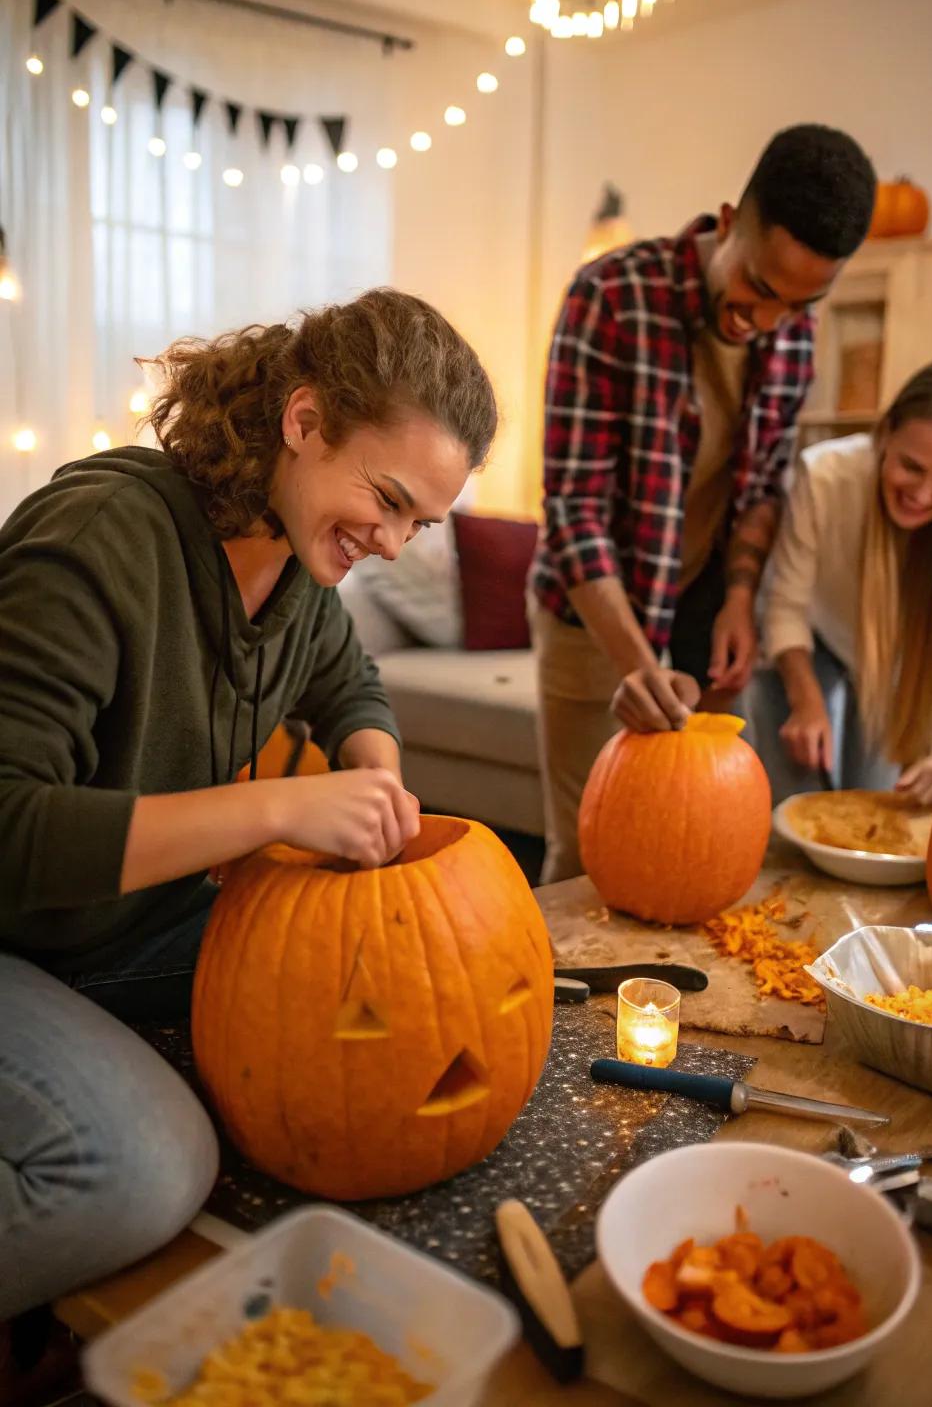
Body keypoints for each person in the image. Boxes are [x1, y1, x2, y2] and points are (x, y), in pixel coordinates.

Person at [0, 290, 497, 1368]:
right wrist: (280, 806)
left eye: (422, 522)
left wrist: (375, 766)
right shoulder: (103, 536)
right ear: (304, 421)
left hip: (134, 936)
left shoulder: (297, 570)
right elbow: (9, 827)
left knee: (395, 1036)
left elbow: (351, 685)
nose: (396, 542)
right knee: (143, 1166)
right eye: (387, 498)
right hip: (18, 942)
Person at [530, 124, 877, 882]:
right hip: (594, 612)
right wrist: (635, 663)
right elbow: (574, 506)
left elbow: (761, 486)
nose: (770, 319)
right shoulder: (612, 297)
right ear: (728, 223)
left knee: (700, 853)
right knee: (589, 858)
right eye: (759, 285)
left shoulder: (794, 332)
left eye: (801, 301)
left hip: (705, 603)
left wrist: (741, 597)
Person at [744, 355, 932, 804]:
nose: (923, 494)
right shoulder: (826, 476)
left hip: (897, 665)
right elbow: (786, 608)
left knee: (876, 801)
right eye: (911, 466)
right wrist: (806, 700)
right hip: (810, 643)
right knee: (791, 795)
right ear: (886, 433)